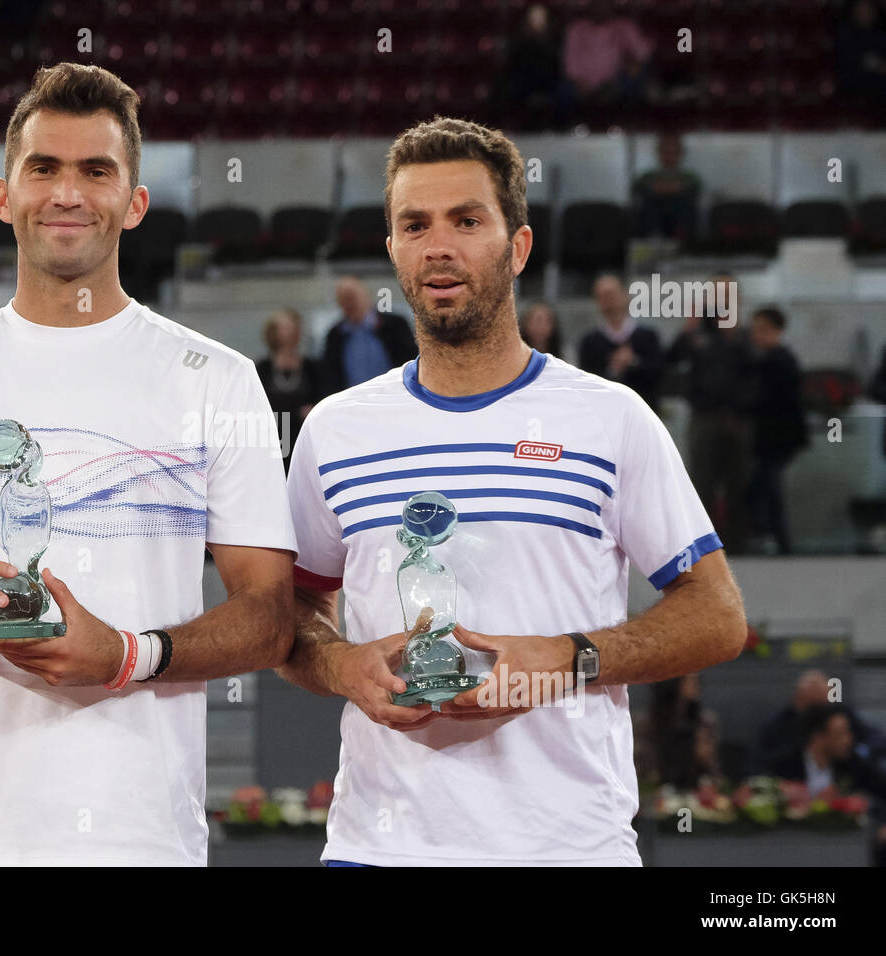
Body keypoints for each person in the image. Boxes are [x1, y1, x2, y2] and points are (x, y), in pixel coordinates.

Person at [0, 63, 296, 866]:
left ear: (134, 204)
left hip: (137, 840)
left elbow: (271, 620)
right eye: (44, 168)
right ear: (4, 197)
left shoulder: (216, 379)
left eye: (96, 170)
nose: (68, 193)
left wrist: (128, 655)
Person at [277, 116, 746, 866]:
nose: (440, 246)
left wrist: (568, 658)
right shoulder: (335, 430)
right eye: (415, 225)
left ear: (517, 245)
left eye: (467, 221)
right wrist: (339, 665)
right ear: (393, 250)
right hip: (379, 849)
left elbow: (719, 617)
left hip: (567, 849)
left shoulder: (610, 417)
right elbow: (290, 613)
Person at [665, 276, 753, 552]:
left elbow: (755, 370)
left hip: (737, 418)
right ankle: (705, 548)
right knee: (702, 483)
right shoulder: (697, 332)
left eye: (727, 293)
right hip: (703, 416)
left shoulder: (744, 333)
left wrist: (736, 337)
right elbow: (670, 360)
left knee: (738, 482)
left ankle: (738, 543)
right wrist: (685, 332)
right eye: (717, 292)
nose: (721, 299)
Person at [746, 307, 807, 555]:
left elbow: (772, 402)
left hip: (777, 440)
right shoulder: (772, 360)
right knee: (764, 489)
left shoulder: (779, 362)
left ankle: (780, 542)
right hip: (772, 440)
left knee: (769, 490)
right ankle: (774, 539)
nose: (756, 336)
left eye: (762, 330)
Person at [756, 669, 886, 773]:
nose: (823, 714)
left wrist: (859, 752)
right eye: (816, 707)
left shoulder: (841, 715)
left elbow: (874, 737)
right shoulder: (777, 728)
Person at [318, 275, 417, 396]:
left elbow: (410, 360)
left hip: (395, 396)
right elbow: (330, 374)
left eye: (352, 296)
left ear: (366, 295)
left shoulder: (394, 325)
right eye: (344, 298)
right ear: (339, 303)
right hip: (352, 401)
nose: (350, 302)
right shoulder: (335, 335)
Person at [577, 273, 665, 410]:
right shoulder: (589, 342)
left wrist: (633, 362)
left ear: (625, 295)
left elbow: (659, 374)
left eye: (611, 295)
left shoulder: (648, 336)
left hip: (644, 410)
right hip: (606, 412)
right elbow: (586, 384)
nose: (608, 301)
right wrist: (613, 369)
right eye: (602, 296)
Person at [255, 308, 321, 471]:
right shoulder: (262, 368)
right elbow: (258, 404)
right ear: (273, 332)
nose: (292, 333)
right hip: (272, 439)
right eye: (286, 328)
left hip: (304, 438)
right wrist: (297, 412)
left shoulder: (312, 367)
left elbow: (322, 397)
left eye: (294, 328)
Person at [633, 133, 701, 242]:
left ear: (680, 154)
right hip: (652, 228)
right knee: (650, 204)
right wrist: (674, 188)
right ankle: (654, 238)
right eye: (665, 152)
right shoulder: (647, 176)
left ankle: (682, 240)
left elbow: (692, 189)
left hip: (682, 227)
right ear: (659, 153)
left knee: (684, 204)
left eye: (674, 152)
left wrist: (661, 189)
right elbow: (641, 189)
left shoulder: (691, 177)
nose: (669, 156)